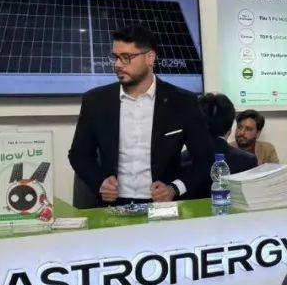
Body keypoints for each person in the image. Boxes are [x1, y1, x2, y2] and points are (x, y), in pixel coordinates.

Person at [69, 26, 213, 205]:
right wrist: (100, 183)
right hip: (112, 206)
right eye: (115, 57)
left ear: (150, 58)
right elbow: (79, 155)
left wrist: (175, 188)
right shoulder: (96, 101)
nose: (118, 64)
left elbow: (205, 159)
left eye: (126, 57)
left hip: (163, 206)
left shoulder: (182, 101)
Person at [198, 94, 258, 174]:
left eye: (248, 129)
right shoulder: (248, 161)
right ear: (230, 127)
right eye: (240, 127)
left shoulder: (183, 159)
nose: (242, 132)